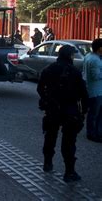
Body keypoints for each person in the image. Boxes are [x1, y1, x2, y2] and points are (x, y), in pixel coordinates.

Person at [37, 45, 88, 182]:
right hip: (70, 110)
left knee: (50, 137)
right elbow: (84, 93)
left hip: (53, 109)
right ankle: (69, 172)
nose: (73, 57)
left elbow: (40, 88)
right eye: (72, 55)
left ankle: (47, 163)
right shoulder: (74, 72)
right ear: (69, 56)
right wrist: (84, 111)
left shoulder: (49, 69)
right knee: (69, 142)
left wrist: (47, 100)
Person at [83, 38, 102, 142]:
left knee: (94, 113)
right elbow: (96, 76)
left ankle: (95, 132)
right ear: (100, 48)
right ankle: (93, 134)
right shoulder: (95, 60)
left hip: (92, 89)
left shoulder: (89, 56)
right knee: (95, 114)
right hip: (96, 91)